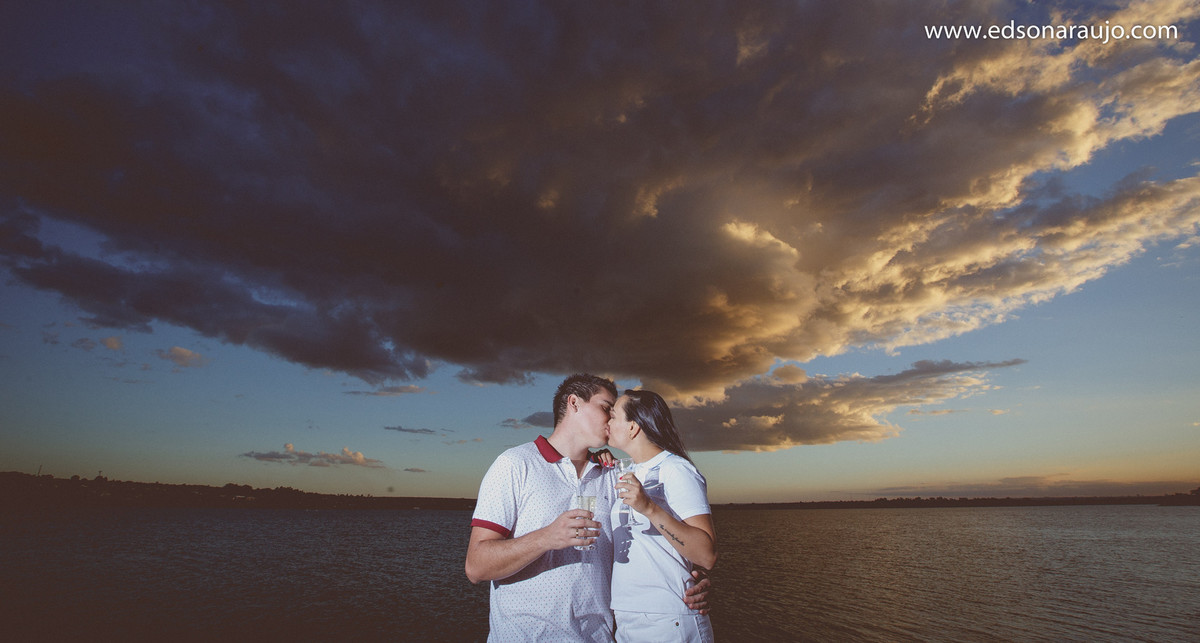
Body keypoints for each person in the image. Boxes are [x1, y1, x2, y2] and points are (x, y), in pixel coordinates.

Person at [465, 374, 709, 641]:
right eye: (606, 407)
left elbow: (663, 542)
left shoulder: (616, 475)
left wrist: (692, 581)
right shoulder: (514, 465)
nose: (611, 418)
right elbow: (476, 567)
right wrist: (546, 538)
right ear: (574, 403)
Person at [608, 389, 716, 642]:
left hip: (669, 618)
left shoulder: (676, 470)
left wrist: (649, 508)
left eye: (613, 416)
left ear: (633, 427)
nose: (607, 422)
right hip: (626, 615)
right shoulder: (629, 471)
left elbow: (706, 555)